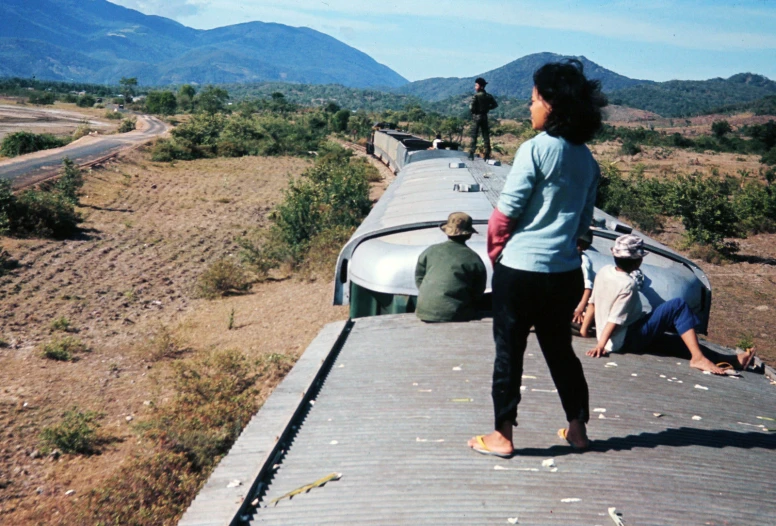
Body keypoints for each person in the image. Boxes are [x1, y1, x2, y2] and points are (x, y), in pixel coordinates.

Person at [468, 59, 606, 458]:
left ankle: (502, 436)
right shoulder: (588, 160)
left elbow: (505, 214)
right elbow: (583, 228)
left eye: (534, 100)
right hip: (564, 275)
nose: (529, 108)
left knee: (509, 351)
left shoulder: (535, 149)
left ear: (553, 105)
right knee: (560, 351)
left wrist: (497, 256)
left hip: (521, 270)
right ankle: (577, 428)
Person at [582, 234, 756, 373]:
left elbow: (593, 303)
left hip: (617, 336)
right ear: (638, 261)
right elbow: (615, 319)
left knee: (676, 343)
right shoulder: (628, 284)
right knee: (677, 305)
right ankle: (698, 358)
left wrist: (585, 330)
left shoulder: (604, 272)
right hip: (625, 339)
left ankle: (733, 360)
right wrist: (601, 346)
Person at [414, 212, 487, 323]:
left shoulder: (430, 250)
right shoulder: (473, 258)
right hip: (455, 314)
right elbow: (478, 291)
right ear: (469, 234)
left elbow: (419, 278)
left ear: (446, 232)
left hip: (423, 311)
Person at [468, 77, 498, 160]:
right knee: (486, 136)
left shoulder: (476, 96)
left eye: (476, 85)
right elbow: (495, 105)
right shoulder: (488, 96)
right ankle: (487, 154)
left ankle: (471, 153)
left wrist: (474, 111)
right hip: (484, 116)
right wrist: (487, 108)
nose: (475, 87)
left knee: (474, 135)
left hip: (476, 117)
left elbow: (471, 107)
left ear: (480, 86)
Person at [572, 230, 595, 330]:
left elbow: (588, 288)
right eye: (578, 242)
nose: (579, 247)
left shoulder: (584, 261)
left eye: (582, 244)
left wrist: (580, 309)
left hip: (580, 299)